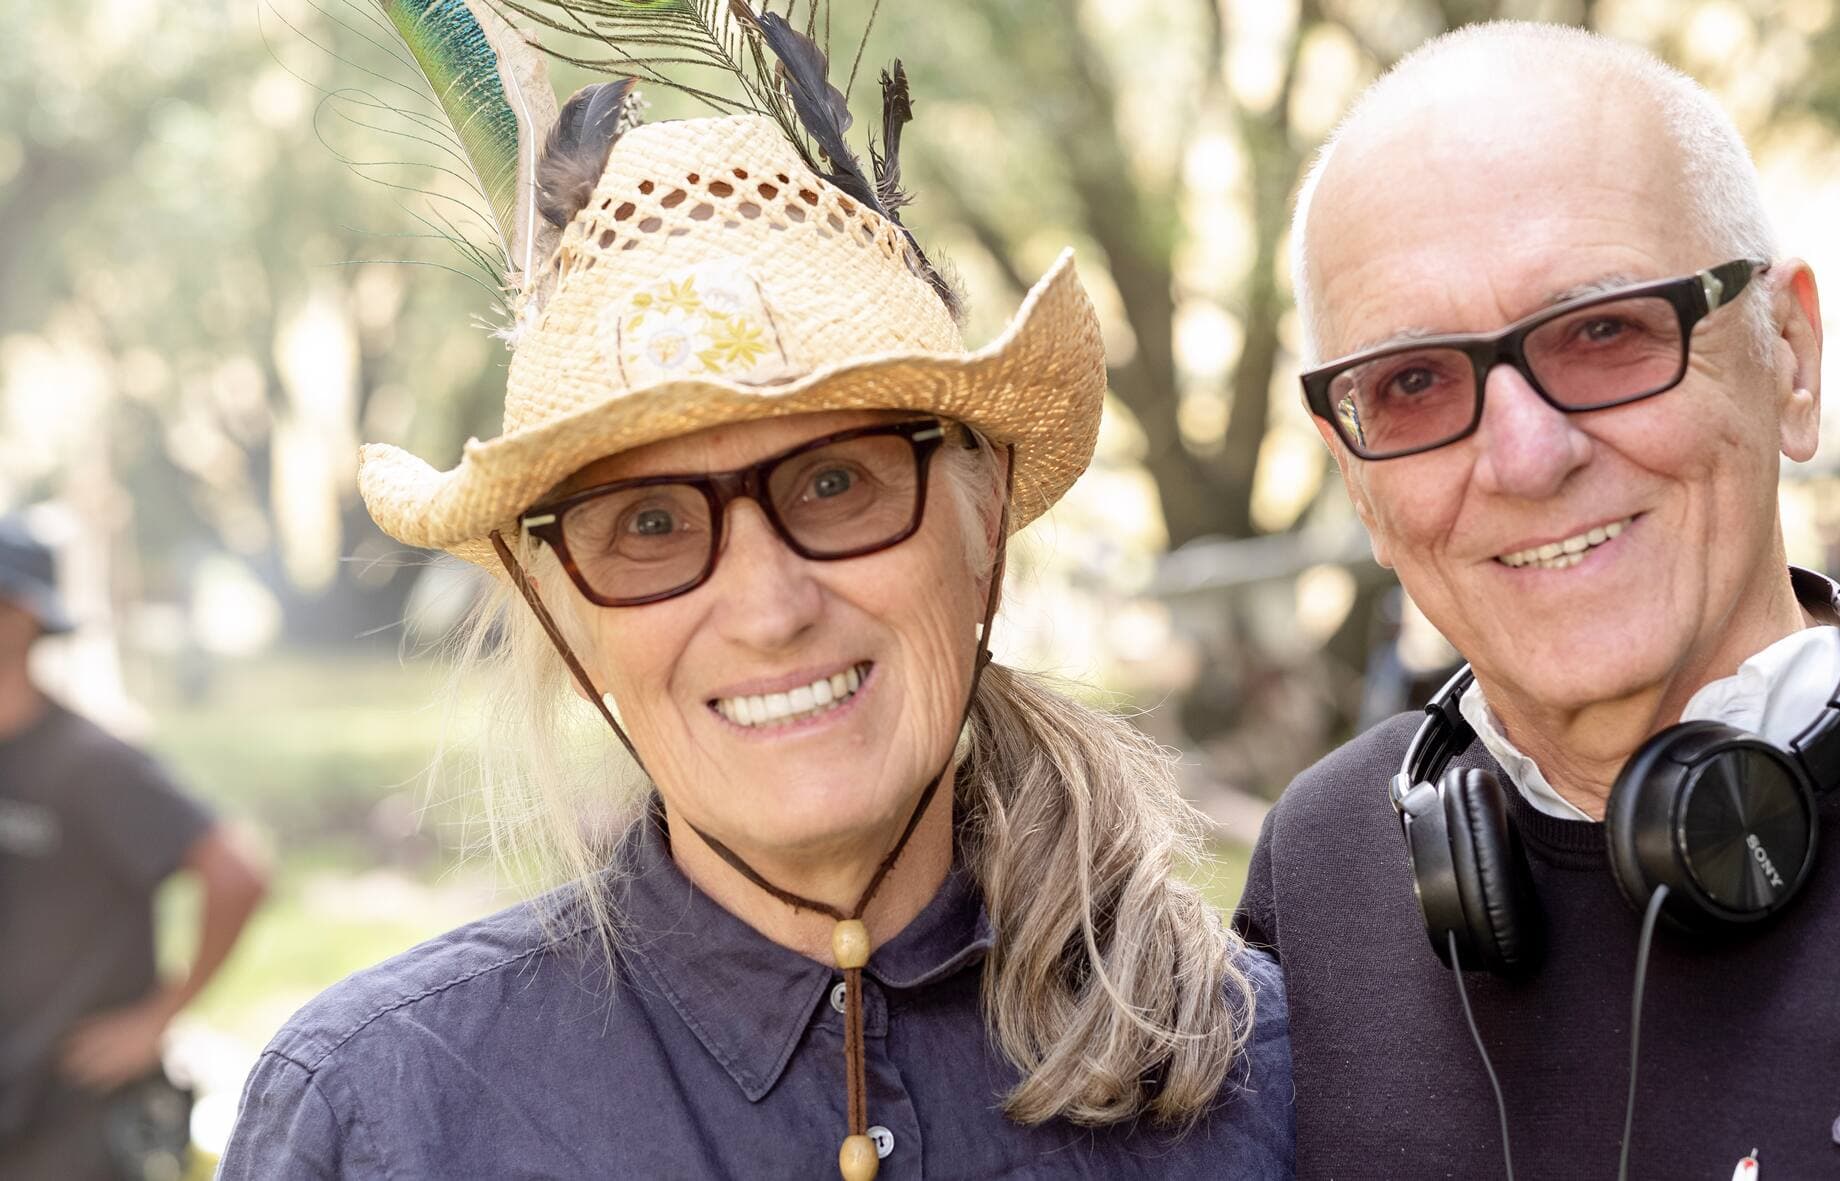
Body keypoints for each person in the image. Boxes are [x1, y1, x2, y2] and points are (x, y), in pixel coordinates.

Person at [218, 38, 1292, 1179]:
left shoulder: (1262, 1065)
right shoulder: (380, 1118)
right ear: (570, 615)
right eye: (649, 524)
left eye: (836, 483)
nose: (769, 607)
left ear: (983, 536)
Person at [1235, 20, 1840, 1179]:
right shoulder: (1322, 864)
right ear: (1354, 474)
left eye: (1603, 331)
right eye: (1411, 383)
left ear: (1790, 353)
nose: (1527, 455)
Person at [0, 516, 270, 1181]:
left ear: (20, 617)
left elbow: (238, 873)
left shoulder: (89, 763)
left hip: (76, 1121)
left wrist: (155, 1019)